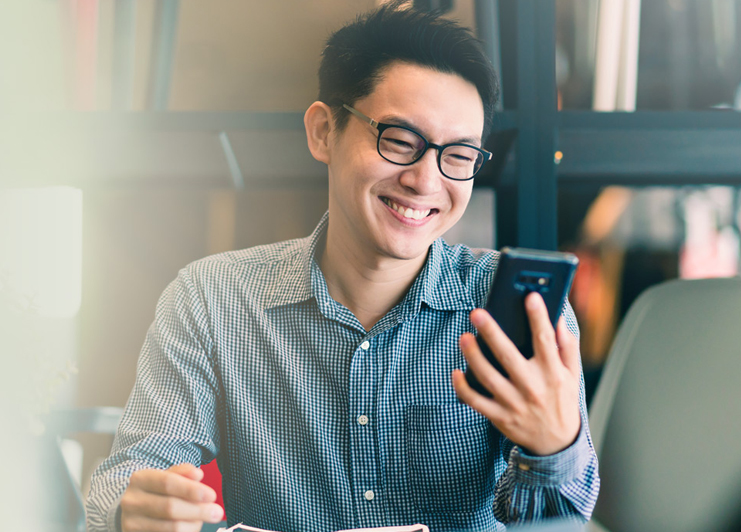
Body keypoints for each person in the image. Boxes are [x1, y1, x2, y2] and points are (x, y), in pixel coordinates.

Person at [86, 3, 599, 532]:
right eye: (400, 141)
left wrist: (553, 448)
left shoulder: (517, 310)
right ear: (324, 132)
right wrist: (135, 509)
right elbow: (131, 472)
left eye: (458, 156)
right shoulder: (212, 298)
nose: (425, 182)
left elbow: (560, 523)